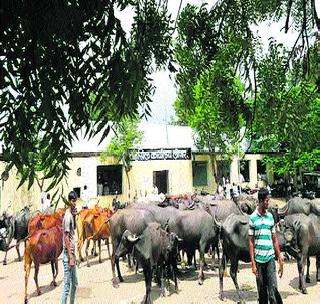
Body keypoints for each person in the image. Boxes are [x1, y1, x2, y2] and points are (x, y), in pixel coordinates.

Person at [249, 188, 284, 304]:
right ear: (260, 201)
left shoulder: (270, 217)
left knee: (273, 290)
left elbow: (274, 240)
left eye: (269, 200)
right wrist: (253, 263)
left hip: (270, 259)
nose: (268, 203)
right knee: (262, 292)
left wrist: (280, 258)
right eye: (266, 201)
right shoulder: (252, 218)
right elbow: (251, 242)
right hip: (259, 261)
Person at [61, 191, 78, 304]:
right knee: (67, 286)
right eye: (72, 201)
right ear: (68, 201)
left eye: (75, 201)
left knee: (75, 283)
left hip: (71, 253)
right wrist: (71, 257)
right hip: (68, 255)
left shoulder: (71, 214)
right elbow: (66, 237)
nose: (74, 203)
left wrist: (75, 216)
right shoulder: (67, 216)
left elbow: (74, 229)